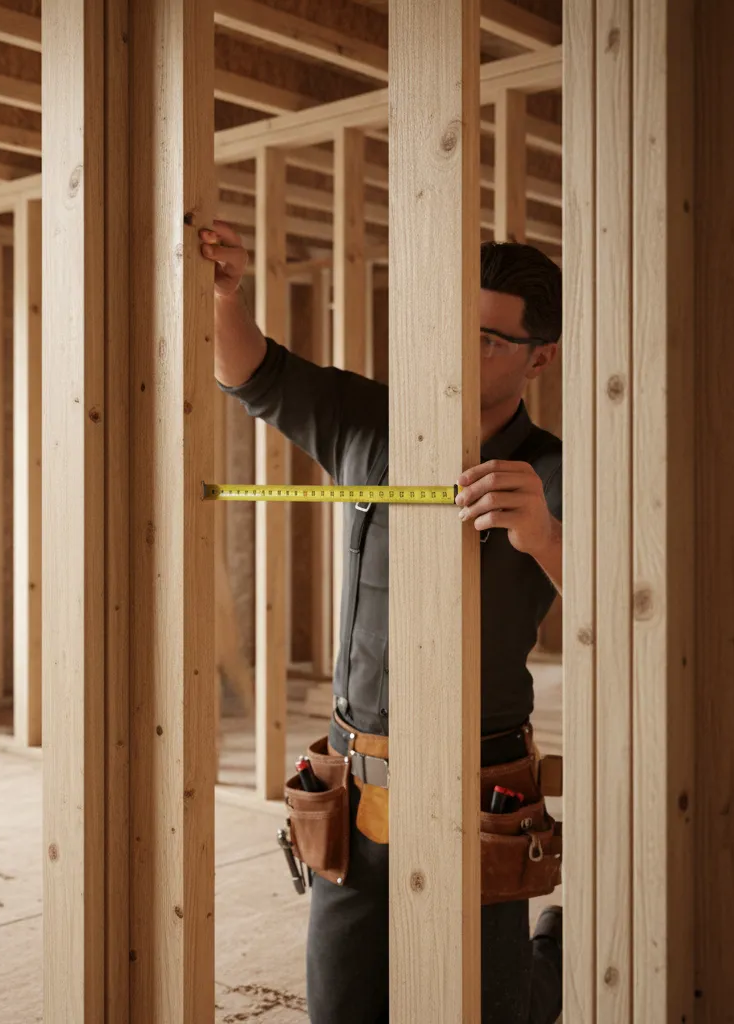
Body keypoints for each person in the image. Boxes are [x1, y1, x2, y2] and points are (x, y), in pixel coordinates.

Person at [200, 221, 564, 1024]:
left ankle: (555, 954)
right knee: (341, 1009)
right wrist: (224, 297)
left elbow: (627, 611)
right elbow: (251, 371)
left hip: (483, 789)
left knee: (492, 1009)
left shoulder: (553, 471)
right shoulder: (368, 420)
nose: (458, 353)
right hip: (357, 783)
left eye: (488, 341)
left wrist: (546, 535)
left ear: (539, 358)